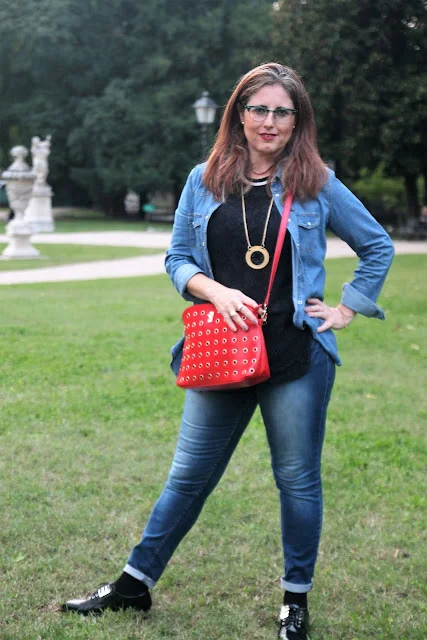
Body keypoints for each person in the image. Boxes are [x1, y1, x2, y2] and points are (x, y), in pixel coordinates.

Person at [62, 63, 394, 639]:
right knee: (187, 477)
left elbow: (377, 245)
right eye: (258, 108)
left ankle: (295, 600)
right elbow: (176, 259)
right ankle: (134, 585)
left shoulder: (316, 181)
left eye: (282, 112)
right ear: (239, 114)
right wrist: (214, 291)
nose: (269, 121)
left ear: (297, 121)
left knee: (296, 481)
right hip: (221, 351)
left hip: (296, 356)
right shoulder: (205, 179)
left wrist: (346, 308)